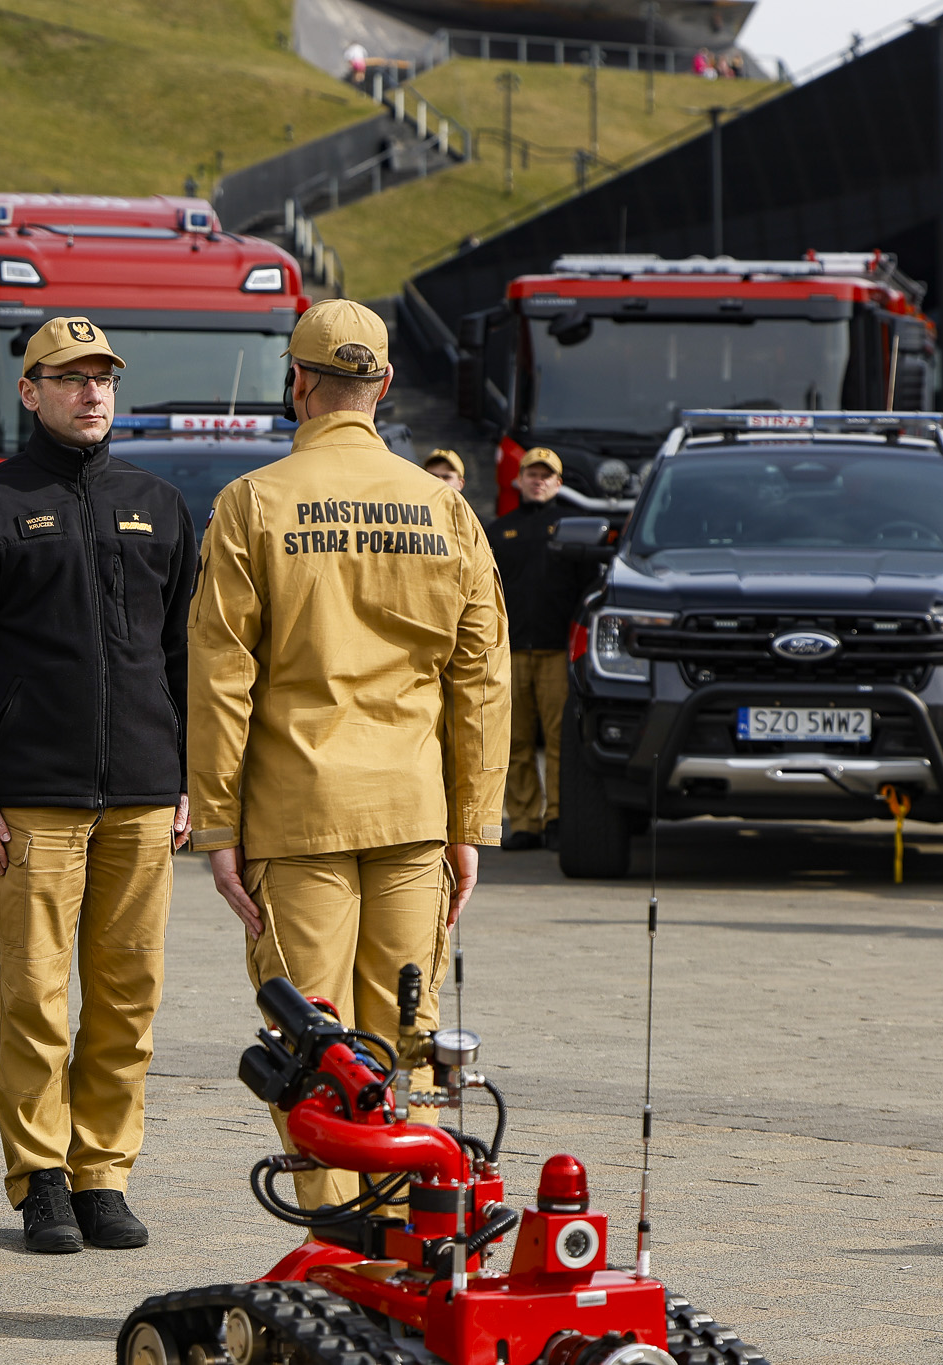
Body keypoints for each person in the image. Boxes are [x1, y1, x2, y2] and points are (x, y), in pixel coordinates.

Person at [188, 299, 509, 1216]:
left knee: (313, 1044)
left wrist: (217, 824)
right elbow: (481, 680)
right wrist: (471, 823)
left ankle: (335, 1244)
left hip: (297, 815)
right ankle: (413, 1236)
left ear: (298, 382)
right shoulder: (445, 509)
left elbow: (220, 679)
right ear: (385, 385)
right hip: (411, 812)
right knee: (408, 1042)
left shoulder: (252, 504)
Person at [0, 316, 196, 1254]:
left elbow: (185, 656)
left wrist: (193, 776)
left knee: (128, 996)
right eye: (70, 377)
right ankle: (41, 1177)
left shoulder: (161, 504)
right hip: (29, 800)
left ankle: (103, 1174)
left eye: (103, 377)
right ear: (29, 391)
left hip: (146, 797)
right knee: (35, 997)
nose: (91, 393)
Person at [487, 449, 584, 852]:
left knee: (561, 742)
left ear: (559, 483)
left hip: (556, 652)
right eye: (531, 473)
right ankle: (525, 821)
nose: (538, 480)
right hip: (510, 654)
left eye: (547, 475)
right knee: (514, 742)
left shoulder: (573, 529)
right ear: (518, 479)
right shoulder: (498, 530)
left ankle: (558, 817)